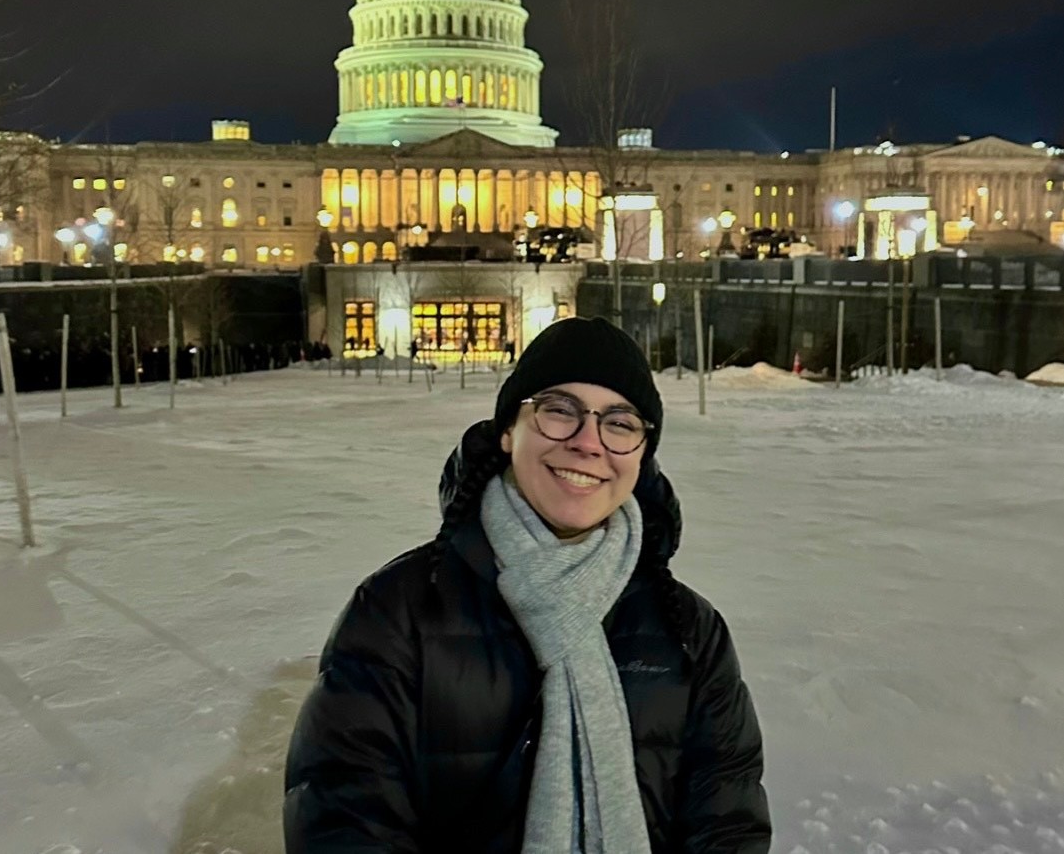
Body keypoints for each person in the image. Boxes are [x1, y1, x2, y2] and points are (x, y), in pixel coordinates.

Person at [284, 316, 770, 853]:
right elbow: (345, 823)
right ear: (509, 430)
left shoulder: (688, 631)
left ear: (642, 453)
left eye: (620, 423)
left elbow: (728, 824)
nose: (588, 443)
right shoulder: (397, 614)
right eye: (559, 411)